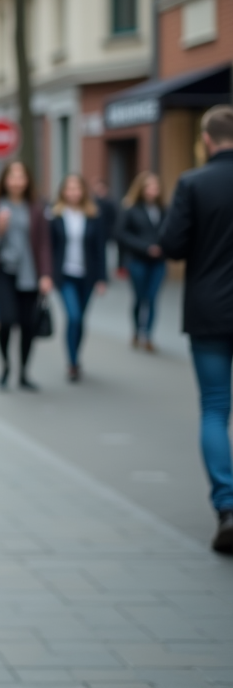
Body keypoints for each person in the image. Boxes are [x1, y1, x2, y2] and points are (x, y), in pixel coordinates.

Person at [159, 104, 233, 555]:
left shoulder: (192, 182)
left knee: (214, 408)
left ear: (207, 139)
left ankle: (227, 506)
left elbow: (171, 245)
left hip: (208, 309)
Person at [0, 161, 53, 391]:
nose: (17, 181)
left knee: (28, 325)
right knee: (6, 320)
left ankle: (24, 373)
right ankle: (6, 366)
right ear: (5, 180)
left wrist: (46, 274)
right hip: (2, 272)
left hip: (30, 275)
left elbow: (44, 245)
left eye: (21, 177)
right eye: (12, 176)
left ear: (27, 180)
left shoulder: (36, 208)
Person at [49, 174, 108, 382]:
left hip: (87, 276)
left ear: (83, 191)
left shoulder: (93, 215)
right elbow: (49, 248)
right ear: (63, 192)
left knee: (81, 320)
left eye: (77, 188)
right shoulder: (55, 215)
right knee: (73, 316)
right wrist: (46, 276)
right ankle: (72, 362)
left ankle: (76, 356)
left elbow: (100, 248)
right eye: (69, 189)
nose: (73, 192)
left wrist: (102, 278)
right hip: (64, 275)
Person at [115, 172, 168, 352]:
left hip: (158, 262)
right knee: (140, 298)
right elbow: (121, 234)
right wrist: (145, 247)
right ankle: (137, 330)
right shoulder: (131, 208)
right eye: (150, 187)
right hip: (137, 260)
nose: (154, 190)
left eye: (156, 187)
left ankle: (148, 336)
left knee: (152, 298)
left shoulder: (163, 209)